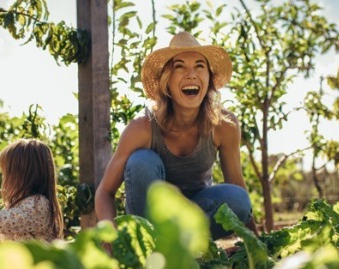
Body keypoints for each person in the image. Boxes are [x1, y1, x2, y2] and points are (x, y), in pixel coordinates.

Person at [95, 31, 258, 241]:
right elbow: (104, 192)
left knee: (239, 199)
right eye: (180, 67)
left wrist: (257, 244)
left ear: (208, 79)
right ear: (167, 80)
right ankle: (151, 246)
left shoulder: (224, 125)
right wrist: (109, 233)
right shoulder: (142, 127)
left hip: (198, 215)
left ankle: (181, 247)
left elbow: (236, 184)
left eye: (200, 66)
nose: (191, 74)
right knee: (141, 161)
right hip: (151, 221)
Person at [0, 138, 64, 243]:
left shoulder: (37, 204)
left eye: (5, 173)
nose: (3, 178)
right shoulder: (20, 206)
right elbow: (8, 238)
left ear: (19, 175)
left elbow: (0, 222)